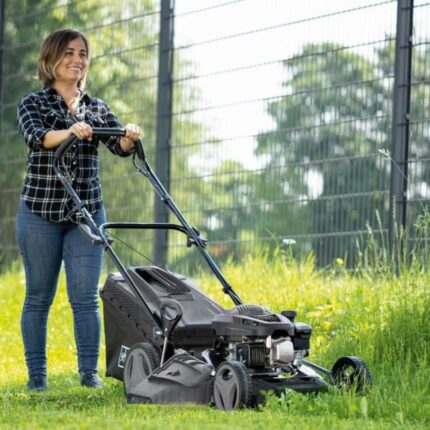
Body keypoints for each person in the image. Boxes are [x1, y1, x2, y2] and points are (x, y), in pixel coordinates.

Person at [16, 28, 142, 391]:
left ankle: (89, 375)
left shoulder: (96, 107)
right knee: (39, 296)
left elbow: (118, 146)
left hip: (86, 214)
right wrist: (72, 131)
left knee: (85, 297)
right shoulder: (33, 103)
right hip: (39, 212)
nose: (77, 59)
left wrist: (129, 136)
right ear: (51, 59)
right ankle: (37, 378)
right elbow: (38, 137)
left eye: (82, 54)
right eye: (69, 52)